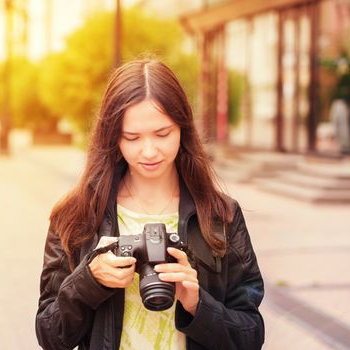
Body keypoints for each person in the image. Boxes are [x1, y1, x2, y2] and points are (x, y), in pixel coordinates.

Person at [35, 59, 264, 350]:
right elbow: (50, 336)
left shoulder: (220, 216)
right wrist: (89, 281)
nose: (149, 151)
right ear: (112, 136)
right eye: (132, 137)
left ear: (183, 128)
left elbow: (251, 336)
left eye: (162, 134)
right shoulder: (77, 215)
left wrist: (198, 305)